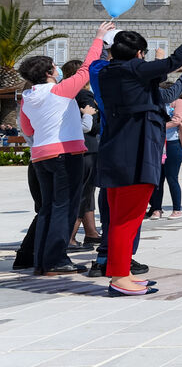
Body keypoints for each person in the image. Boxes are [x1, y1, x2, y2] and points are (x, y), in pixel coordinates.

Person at [96, 10, 182, 296]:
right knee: (127, 220)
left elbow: (161, 81)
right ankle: (119, 279)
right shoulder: (134, 71)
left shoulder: (108, 73)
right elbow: (172, 62)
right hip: (135, 154)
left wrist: (169, 68)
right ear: (139, 54)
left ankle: (120, 272)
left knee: (120, 218)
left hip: (116, 153)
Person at [17, 20, 113, 276]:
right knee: (65, 207)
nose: (58, 69)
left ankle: (42, 260)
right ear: (50, 72)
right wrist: (99, 38)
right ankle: (56, 259)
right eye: (55, 66)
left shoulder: (28, 98)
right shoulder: (59, 90)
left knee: (48, 208)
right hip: (65, 154)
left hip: (40, 156)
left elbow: (28, 130)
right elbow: (87, 67)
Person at [61, 59, 103, 243]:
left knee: (87, 192)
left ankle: (91, 232)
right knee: (84, 193)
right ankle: (70, 237)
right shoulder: (85, 95)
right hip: (88, 149)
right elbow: (92, 127)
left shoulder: (66, 93)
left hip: (74, 148)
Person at [147, 93, 182, 219]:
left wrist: (157, 127)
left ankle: (177, 209)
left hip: (172, 144)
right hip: (157, 144)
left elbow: (176, 120)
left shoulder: (178, 102)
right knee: (157, 179)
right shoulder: (156, 102)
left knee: (172, 178)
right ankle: (156, 209)